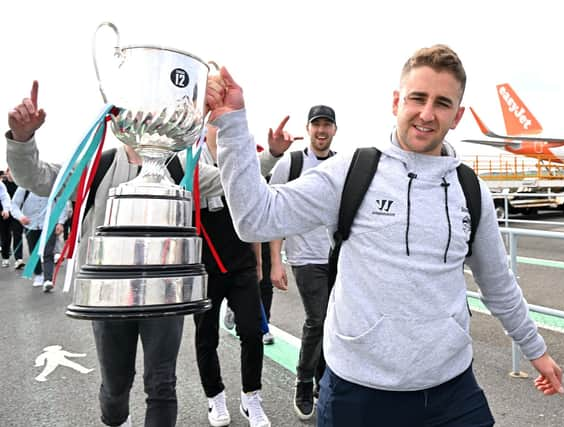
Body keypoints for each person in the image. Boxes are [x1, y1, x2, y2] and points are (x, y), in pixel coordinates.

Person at [208, 45, 564, 427]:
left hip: (451, 390)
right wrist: (231, 123)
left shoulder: (469, 189)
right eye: (417, 98)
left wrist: (535, 349)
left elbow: (498, 283)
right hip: (358, 392)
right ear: (397, 101)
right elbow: (254, 219)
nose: (427, 114)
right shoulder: (353, 171)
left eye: (442, 103)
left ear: (457, 115)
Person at [6, 80, 286, 427]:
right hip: (109, 299)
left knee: (162, 384)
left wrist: (271, 154)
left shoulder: (182, 169)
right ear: (120, 118)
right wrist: (22, 140)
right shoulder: (99, 165)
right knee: (115, 386)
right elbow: (38, 178)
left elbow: (233, 181)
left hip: (163, 298)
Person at [193, 123, 294, 427]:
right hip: (203, 265)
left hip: (240, 264)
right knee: (205, 335)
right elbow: (235, 180)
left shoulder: (242, 154)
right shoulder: (188, 159)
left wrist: (260, 262)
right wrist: (270, 157)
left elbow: (252, 206)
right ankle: (215, 396)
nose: (219, 126)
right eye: (213, 120)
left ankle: (252, 396)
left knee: (252, 332)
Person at [267, 105, 337, 419]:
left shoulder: (343, 165)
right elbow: (274, 214)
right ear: (309, 129)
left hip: (337, 257)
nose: (322, 131)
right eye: (316, 125)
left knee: (335, 323)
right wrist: (274, 263)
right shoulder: (291, 163)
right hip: (305, 257)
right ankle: (304, 380)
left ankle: (325, 380)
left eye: (327, 125)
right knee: (318, 319)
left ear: (334, 130)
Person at [10, 186, 68, 292]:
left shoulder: (53, 185)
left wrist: (60, 222)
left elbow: (62, 204)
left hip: (50, 223)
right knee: (34, 252)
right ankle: (38, 274)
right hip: (31, 224)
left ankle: (48, 280)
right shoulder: (24, 187)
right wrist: (20, 217)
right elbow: (14, 205)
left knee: (48, 252)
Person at [0, 169, 26, 269]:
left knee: (17, 234)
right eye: (10, 171)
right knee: (5, 235)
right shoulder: (3, 184)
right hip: (4, 213)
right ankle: (5, 258)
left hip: (16, 213)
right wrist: (2, 210)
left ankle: (18, 259)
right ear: (7, 172)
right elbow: (2, 198)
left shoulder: (20, 184)